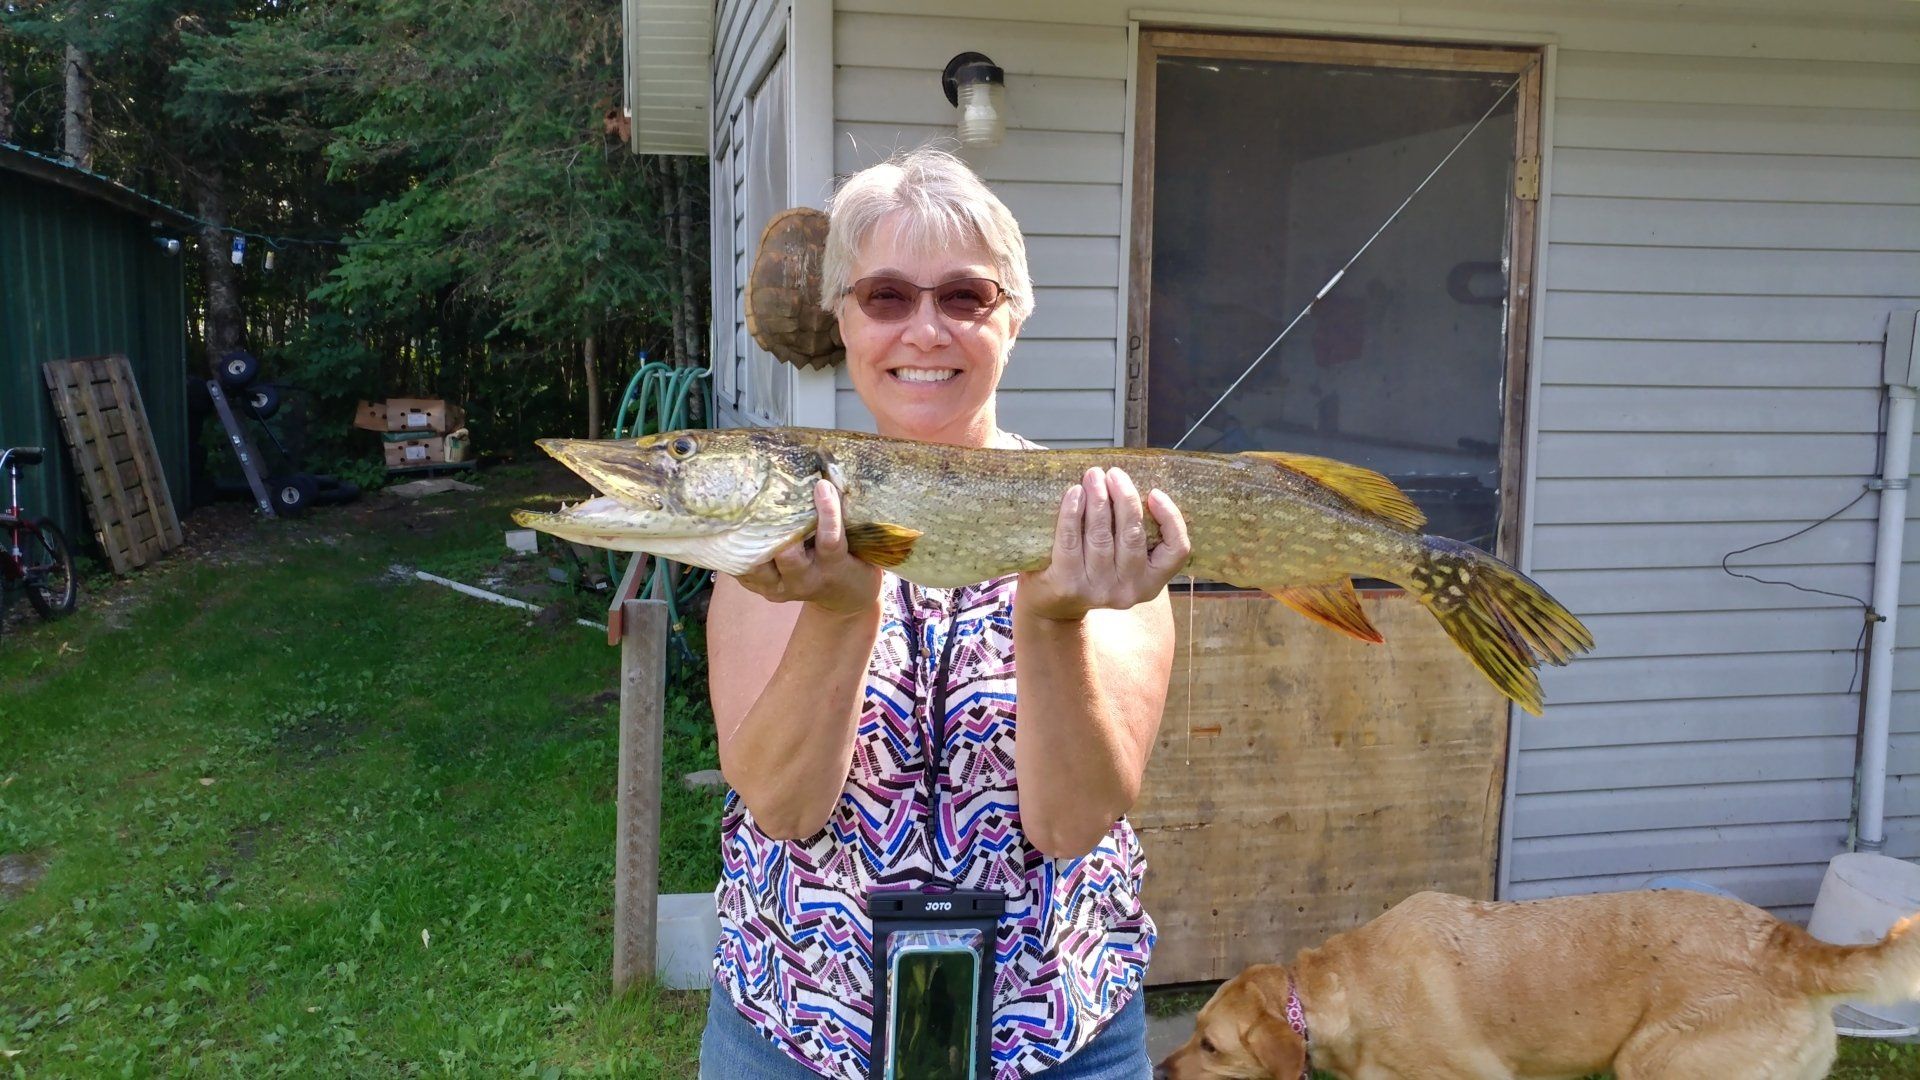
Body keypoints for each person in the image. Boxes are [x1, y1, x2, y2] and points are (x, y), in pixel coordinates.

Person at [698, 144, 1191, 1080]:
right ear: (843, 319)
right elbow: (782, 803)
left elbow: (1072, 825)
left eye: (965, 297)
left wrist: (1052, 622)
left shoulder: (1096, 517)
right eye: (887, 297)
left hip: (1057, 1037)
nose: (926, 330)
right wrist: (840, 617)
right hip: (795, 1032)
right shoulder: (785, 522)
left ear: (1013, 319)